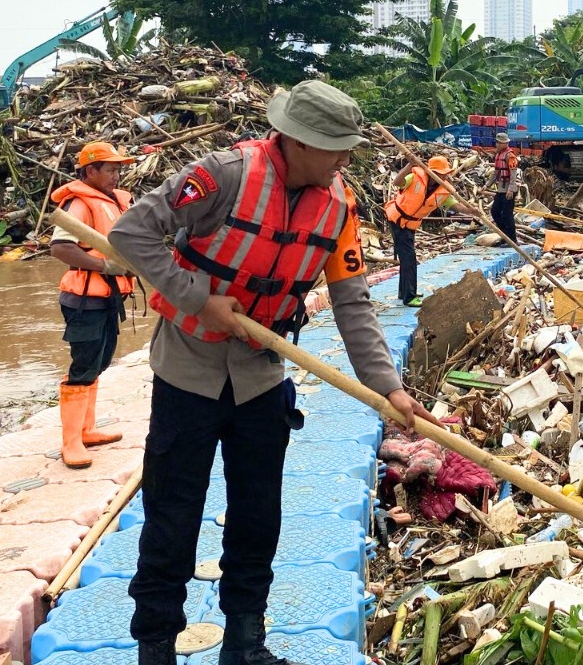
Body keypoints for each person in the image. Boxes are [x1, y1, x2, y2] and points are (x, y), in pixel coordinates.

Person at [108, 81, 434, 665]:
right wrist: (196, 298)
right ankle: (155, 647)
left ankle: (244, 643)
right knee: (172, 517)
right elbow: (130, 233)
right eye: (335, 148)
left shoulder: (338, 208)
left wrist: (389, 389)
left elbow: (353, 303)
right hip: (188, 369)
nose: (344, 160)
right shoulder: (221, 176)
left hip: (260, 376)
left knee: (258, 515)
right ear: (296, 141)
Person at [49, 141, 137, 470]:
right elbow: (60, 248)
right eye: (111, 169)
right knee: (83, 366)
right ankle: (71, 441)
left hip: (107, 299)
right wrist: (106, 267)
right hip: (84, 300)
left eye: (119, 169)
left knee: (99, 362)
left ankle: (86, 430)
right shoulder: (79, 204)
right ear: (91, 171)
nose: (117, 175)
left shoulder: (116, 201)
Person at [385, 154, 474, 306]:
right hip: (397, 220)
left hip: (410, 224)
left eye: (446, 173)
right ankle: (409, 297)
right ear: (432, 172)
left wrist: (472, 211)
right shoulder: (414, 177)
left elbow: (456, 206)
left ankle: (404, 291)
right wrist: (409, 166)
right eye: (442, 173)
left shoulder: (442, 190)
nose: (445, 175)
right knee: (409, 259)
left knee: (407, 259)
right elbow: (397, 182)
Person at [489, 132, 520, 245]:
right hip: (501, 188)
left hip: (509, 189)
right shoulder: (498, 155)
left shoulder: (510, 156)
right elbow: (496, 173)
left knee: (507, 214)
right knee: (495, 211)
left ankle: (512, 239)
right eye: (497, 142)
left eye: (499, 142)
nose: (496, 144)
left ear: (504, 143)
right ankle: (505, 235)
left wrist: (511, 189)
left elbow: (513, 174)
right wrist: (487, 185)